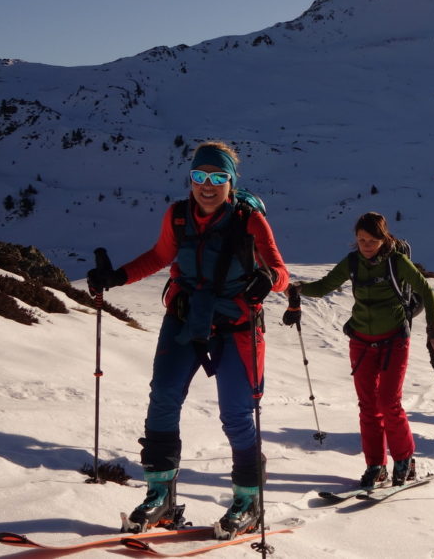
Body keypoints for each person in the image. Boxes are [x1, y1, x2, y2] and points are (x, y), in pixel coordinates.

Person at [86, 141, 288, 538]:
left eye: (217, 177)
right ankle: (159, 495)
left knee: (235, 413)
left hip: (236, 323)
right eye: (199, 176)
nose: (207, 185)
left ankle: (248, 499)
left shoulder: (249, 220)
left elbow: (280, 272)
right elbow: (161, 255)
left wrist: (267, 280)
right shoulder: (178, 216)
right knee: (163, 395)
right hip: (185, 317)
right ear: (190, 179)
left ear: (231, 182)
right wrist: (117, 277)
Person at [287, 212, 434, 488]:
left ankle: (405, 459)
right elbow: (324, 286)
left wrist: (432, 331)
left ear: (384, 239)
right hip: (360, 341)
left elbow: (425, 290)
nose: (366, 245)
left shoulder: (397, 261)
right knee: (368, 406)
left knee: (388, 402)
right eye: (361, 240)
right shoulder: (353, 262)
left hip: (394, 339)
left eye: (372, 240)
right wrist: (297, 289)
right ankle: (376, 465)